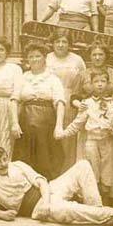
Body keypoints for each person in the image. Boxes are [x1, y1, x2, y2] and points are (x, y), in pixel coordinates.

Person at [0, 147, 113, 226]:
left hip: (49, 191)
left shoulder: (18, 165)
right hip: (36, 208)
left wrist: (47, 201)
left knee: (83, 165)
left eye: (4, 159)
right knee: (69, 210)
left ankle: (97, 210)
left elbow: (41, 182)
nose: (3, 164)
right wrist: (3, 214)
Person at [56, 71, 113, 205]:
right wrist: (63, 133)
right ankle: (93, 197)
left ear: (108, 84)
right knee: (92, 167)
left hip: (107, 140)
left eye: (103, 81)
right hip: (92, 141)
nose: (99, 84)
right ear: (91, 84)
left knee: (107, 168)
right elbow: (77, 123)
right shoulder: (87, 103)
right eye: (96, 82)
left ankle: (105, 197)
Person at [14, 42, 65, 180]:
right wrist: (14, 123)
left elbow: (60, 102)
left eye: (38, 56)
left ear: (44, 58)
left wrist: (59, 126)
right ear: (27, 59)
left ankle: (49, 189)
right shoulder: (23, 77)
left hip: (46, 123)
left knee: (47, 157)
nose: (35, 59)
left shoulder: (53, 78)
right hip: (25, 123)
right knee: (25, 158)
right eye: (31, 56)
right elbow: (14, 100)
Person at [45, 29, 87, 173]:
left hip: (70, 102)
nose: (61, 45)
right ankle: (52, 173)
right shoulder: (46, 58)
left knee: (69, 138)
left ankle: (68, 173)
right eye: (58, 41)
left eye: (64, 42)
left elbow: (84, 81)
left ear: (70, 44)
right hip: (49, 101)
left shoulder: (77, 59)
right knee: (51, 136)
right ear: (52, 43)